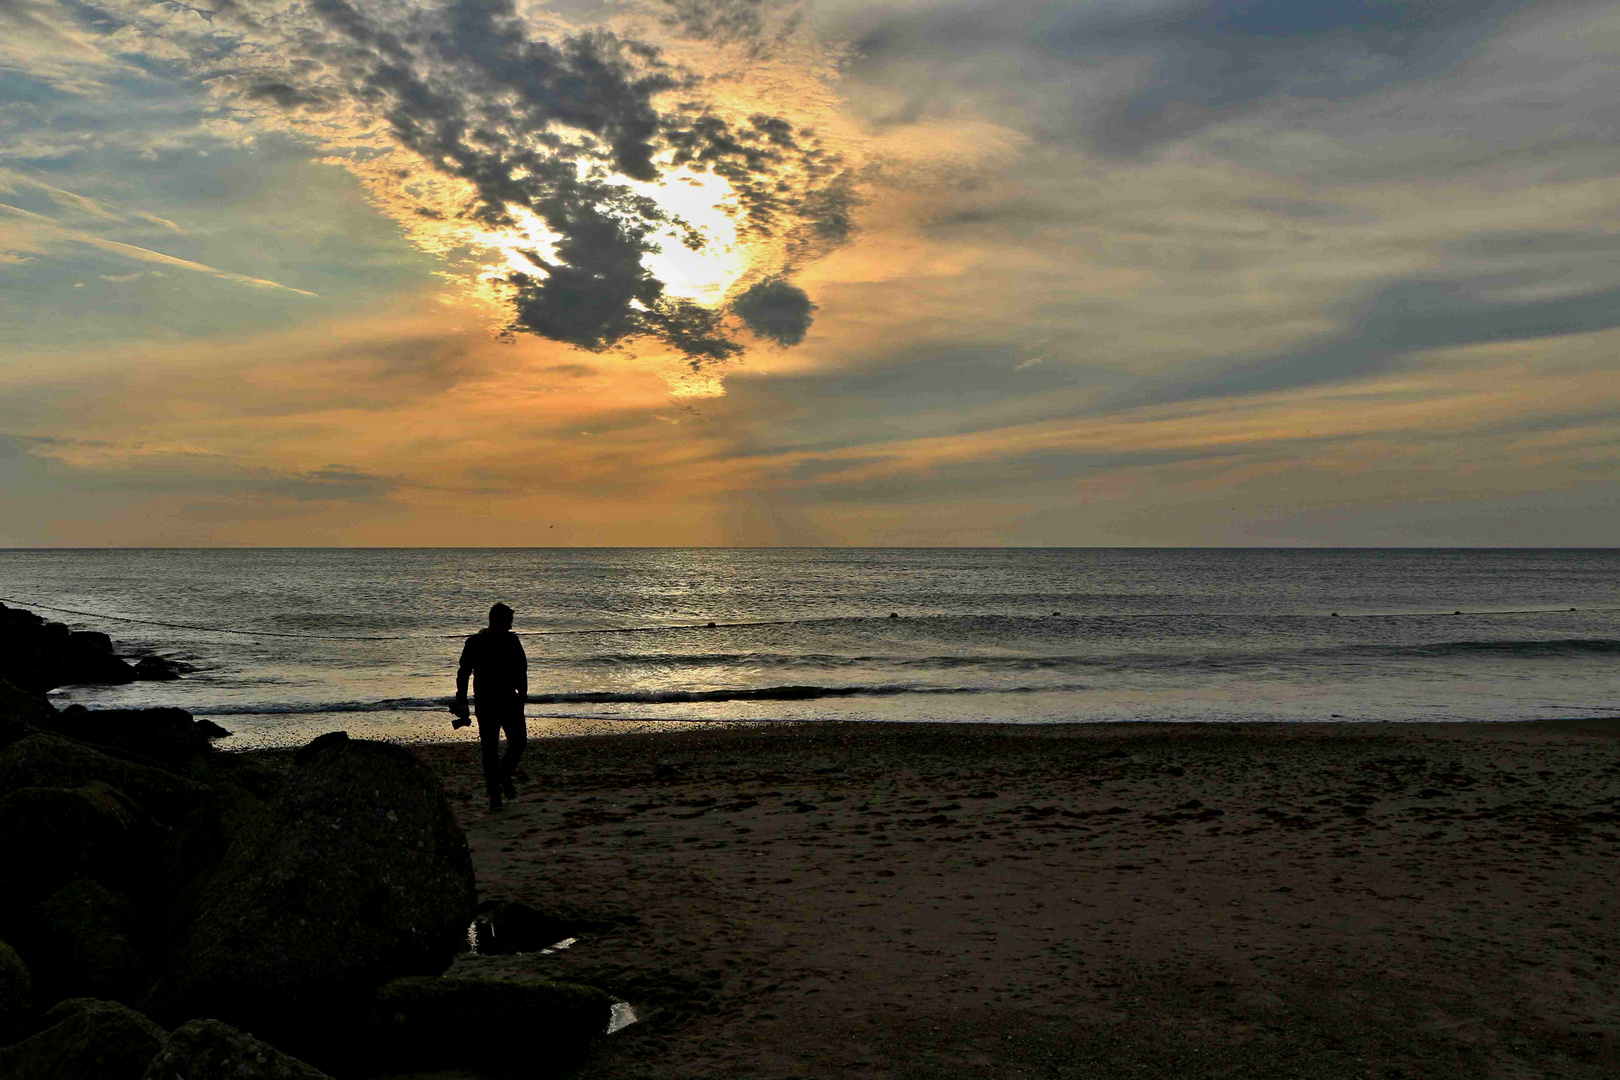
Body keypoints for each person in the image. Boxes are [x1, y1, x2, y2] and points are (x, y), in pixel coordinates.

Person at [453, 602, 528, 810]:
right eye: (508, 623)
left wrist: (522, 695)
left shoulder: (513, 641)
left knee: (519, 743)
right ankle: (495, 795)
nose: (511, 627)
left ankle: (502, 776)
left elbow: (522, 669)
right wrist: (461, 699)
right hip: (486, 702)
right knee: (489, 750)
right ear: (497, 621)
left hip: (509, 700)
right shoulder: (475, 642)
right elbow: (463, 672)